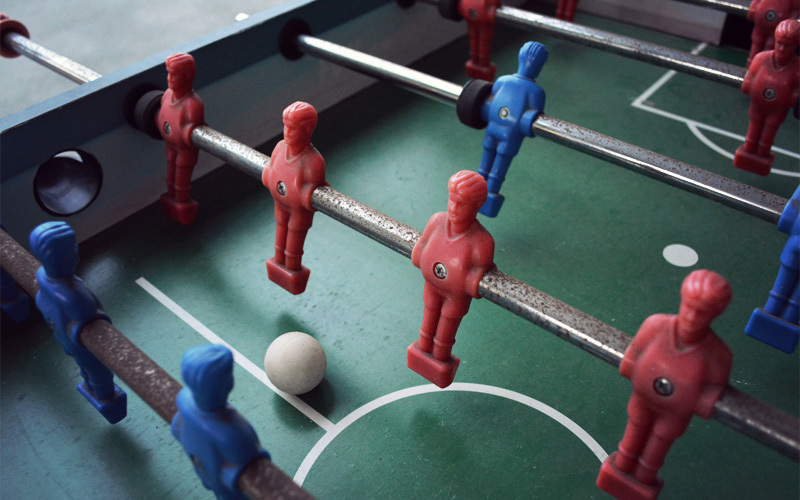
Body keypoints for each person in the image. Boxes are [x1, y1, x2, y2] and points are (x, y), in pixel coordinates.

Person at [597, 270, 733, 500]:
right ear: (682, 300)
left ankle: (642, 482)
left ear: (715, 315)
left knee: (654, 452)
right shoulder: (655, 326)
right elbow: (633, 354)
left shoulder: (717, 355)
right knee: (630, 441)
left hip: (673, 417)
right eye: (689, 306)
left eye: (702, 312)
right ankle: (620, 469)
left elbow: (711, 393)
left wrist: (695, 401)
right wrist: (634, 370)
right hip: (642, 401)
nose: (691, 317)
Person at [30, 221, 126, 423]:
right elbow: (96, 321)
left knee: (84, 367)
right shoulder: (75, 297)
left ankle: (89, 385)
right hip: (82, 345)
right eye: (71, 248)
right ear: (58, 257)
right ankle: (106, 396)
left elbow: (41, 300)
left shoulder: (42, 277)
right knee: (99, 371)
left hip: (62, 337)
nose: (76, 250)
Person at [407, 170, 495, 388]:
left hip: (455, 298)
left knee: (446, 326)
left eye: (462, 204)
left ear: (476, 206)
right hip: (431, 286)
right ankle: (422, 348)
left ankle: (440, 358)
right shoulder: (436, 222)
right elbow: (420, 248)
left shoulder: (481, 242)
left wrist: (469, 282)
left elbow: (477, 280)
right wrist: (421, 256)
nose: (454, 208)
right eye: (452, 200)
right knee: (428, 317)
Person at [172, 344, 269, 500]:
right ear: (226, 384)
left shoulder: (183, 400)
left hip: (206, 476)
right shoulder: (235, 434)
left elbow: (176, 429)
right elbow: (254, 464)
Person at [262, 102, 327, 295]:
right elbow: (270, 170)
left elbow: (311, 192)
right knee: (280, 231)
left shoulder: (313, 162)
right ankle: (277, 262)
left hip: (299, 212)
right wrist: (269, 177)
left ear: (307, 130)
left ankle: (292, 270)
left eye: (293, 128)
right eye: (286, 126)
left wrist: (306, 195)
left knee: (294, 241)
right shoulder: (279, 149)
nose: (287, 132)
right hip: (280, 203)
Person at [477, 41, 548, 217]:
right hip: (509, 135)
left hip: (495, 130)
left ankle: (476, 191)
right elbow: (533, 117)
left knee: (487, 162)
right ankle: (486, 194)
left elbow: (494, 101)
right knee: (498, 167)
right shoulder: (536, 92)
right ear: (540, 66)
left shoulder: (502, 80)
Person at [734, 19, 799, 176]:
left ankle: (762, 155)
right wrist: (754, 87)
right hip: (758, 105)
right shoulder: (761, 58)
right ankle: (749, 151)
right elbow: (747, 83)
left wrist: (788, 98)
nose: (782, 48)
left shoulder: (797, 68)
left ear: (796, 45)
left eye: (787, 45)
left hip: (776, 111)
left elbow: (796, 96)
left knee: (767, 136)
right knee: (753, 132)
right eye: (779, 43)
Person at [745, 184, 799, 353]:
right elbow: (792, 210)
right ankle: (771, 312)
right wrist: (791, 216)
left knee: (794, 302)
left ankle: (789, 318)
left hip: (796, 243)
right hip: (796, 245)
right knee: (781, 288)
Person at [158, 52, 205, 225]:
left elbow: (193, 130)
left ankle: (183, 208)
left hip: (185, 151)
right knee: (170, 176)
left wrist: (186, 133)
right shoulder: (167, 96)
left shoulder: (192, 105)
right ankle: (170, 200)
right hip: (170, 145)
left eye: (175, 75)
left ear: (187, 77)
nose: (169, 78)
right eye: (169, 73)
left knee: (181, 182)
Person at [745, 0, 799, 68]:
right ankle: (750, 64)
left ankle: (763, 66)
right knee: (756, 42)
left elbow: (796, 10)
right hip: (760, 24)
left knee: (770, 45)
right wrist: (753, 10)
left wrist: (789, 25)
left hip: (777, 29)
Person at [459, 0, 501, 81]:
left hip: (472, 15)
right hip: (482, 18)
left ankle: (476, 62)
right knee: (483, 40)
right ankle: (482, 64)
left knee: (474, 38)